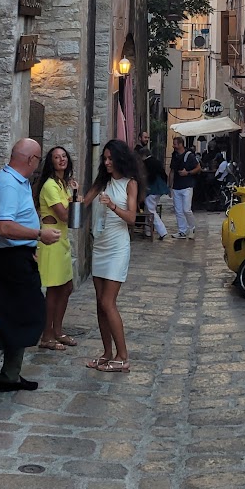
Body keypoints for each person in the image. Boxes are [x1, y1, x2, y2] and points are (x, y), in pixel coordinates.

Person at [0, 139, 60, 392]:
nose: (38, 165)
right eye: (39, 159)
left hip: (19, 255)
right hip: (12, 259)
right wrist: (39, 234)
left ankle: (10, 376)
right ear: (31, 159)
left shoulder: (16, 181)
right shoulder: (9, 185)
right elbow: (5, 226)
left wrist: (30, 247)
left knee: (20, 315)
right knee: (32, 317)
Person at [81, 139, 139, 373]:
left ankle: (123, 356)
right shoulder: (102, 182)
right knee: (99, 303)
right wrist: (73, 192)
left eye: (110, 158)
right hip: (100, 245)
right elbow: (83, 203)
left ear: (120, 159)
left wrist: (113, 206)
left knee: (108, 302)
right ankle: (107, 353)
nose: (106, 162)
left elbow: (132, 218)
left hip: (117, 247)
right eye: (104, 158)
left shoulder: (130, 184)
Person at [35, 146, 78, 351]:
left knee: (66, 288)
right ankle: (47, 335)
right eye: (56, 157)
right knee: (53, 290)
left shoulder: (63, 184)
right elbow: (65, 215)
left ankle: (58, 331)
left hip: (62, 240)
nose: (61, 159)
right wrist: (76, 199)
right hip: (51, 241)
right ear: (50, 162)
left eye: (63, 156)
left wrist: (74, 195)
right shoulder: (50, 186)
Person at [168, 136, 200, 239]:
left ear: (180, 144)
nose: (173, 146)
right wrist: (170, 186)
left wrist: (188, 173)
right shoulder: (174, 155)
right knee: (178, 210)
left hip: (187, 186)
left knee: (186, 209)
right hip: (176, 186)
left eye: (175, 144)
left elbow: (198, 168)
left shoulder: (189, 155)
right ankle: (182, 230)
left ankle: (192, 227)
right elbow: (172, 171)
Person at [142, 155, 169, 240]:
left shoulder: (147, 163)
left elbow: (149, 177)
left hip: (152, 190)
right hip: (158, 189)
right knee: (148, 209)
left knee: (151, 211)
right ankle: (148, 231)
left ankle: (162, 231)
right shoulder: (156, 162)